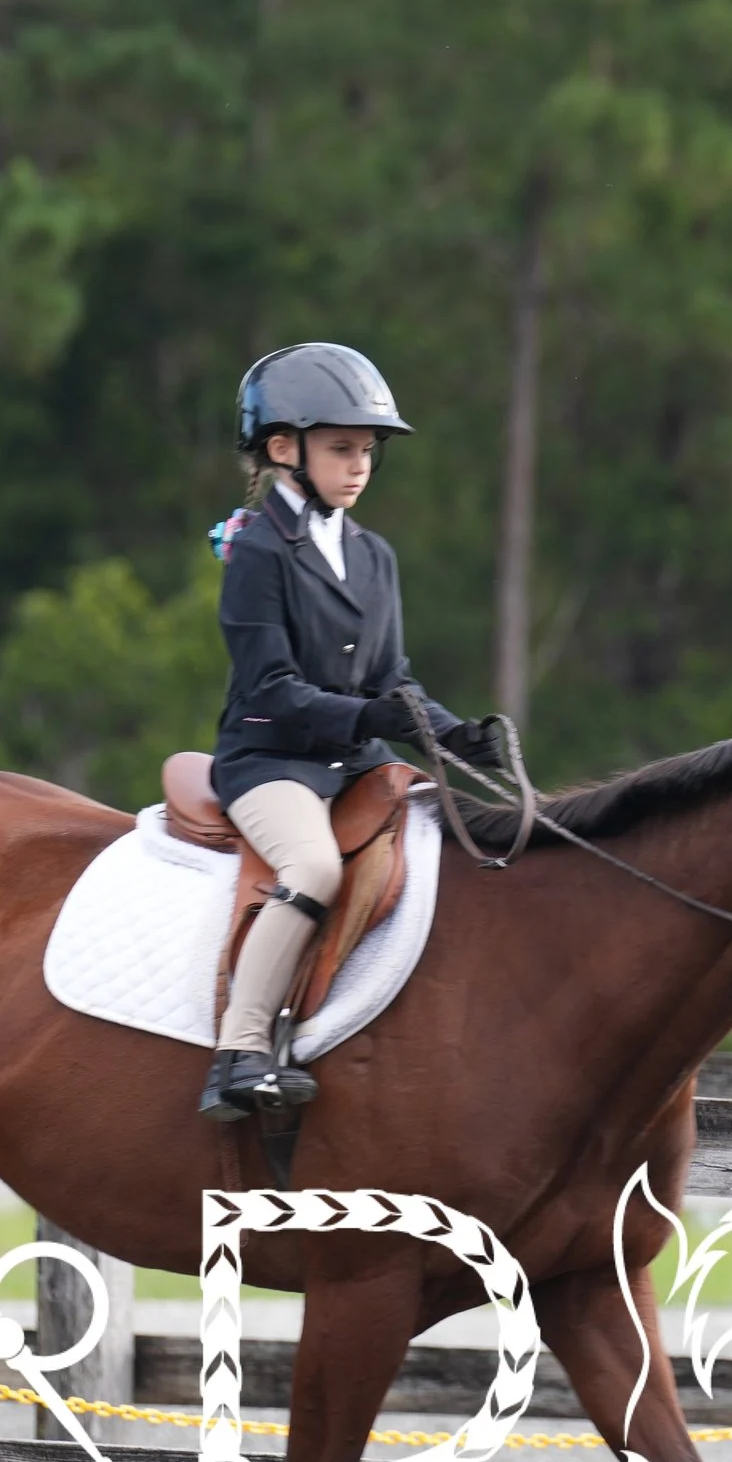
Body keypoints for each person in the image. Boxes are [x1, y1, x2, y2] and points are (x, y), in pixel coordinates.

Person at [199, 342, 504, 1122]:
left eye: (367, 450)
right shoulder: (257, 551)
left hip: (356, 762)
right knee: (312, 867)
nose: (360, 466)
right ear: (283, 449)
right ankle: (239, 1050)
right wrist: (371, 718)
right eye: (341, 448)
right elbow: (271, 689)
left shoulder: (374, 556)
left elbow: (393, 678)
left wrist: (457, 738)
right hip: (270, 761)